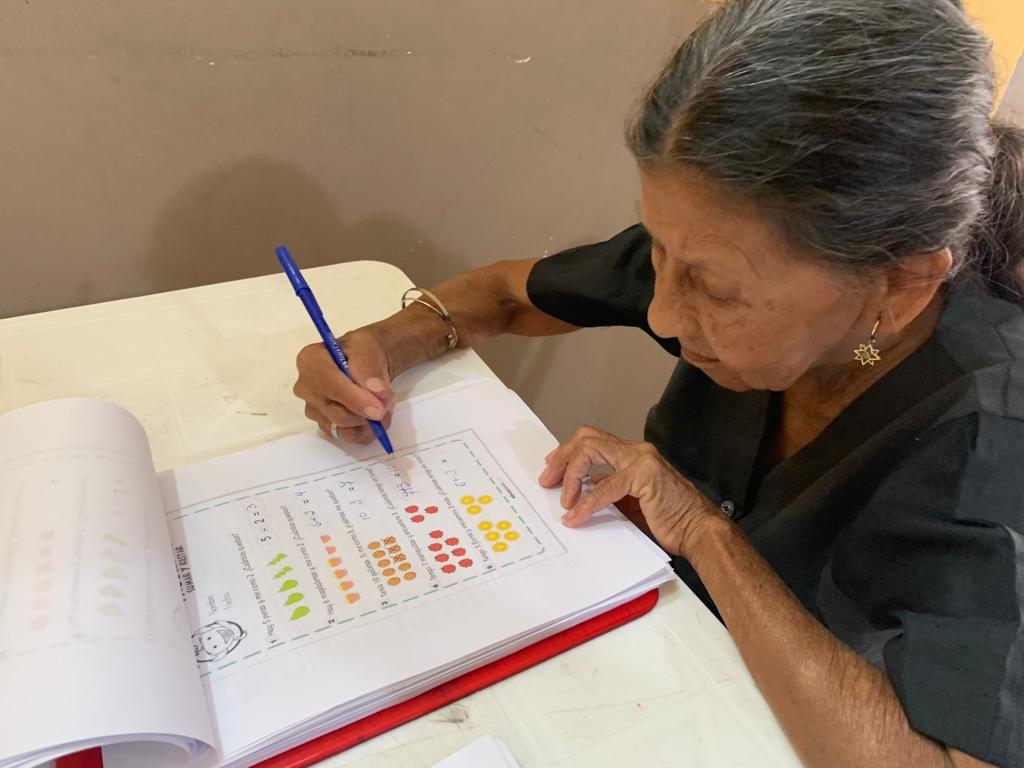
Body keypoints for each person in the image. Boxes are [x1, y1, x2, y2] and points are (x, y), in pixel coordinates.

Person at [292, 0, 1024, 765]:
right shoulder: (718, 244)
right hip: (651, 658)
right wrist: (383, 344)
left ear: (899, 287)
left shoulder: (995, 435)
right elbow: (504, 296)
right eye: (660, 252)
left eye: (716, 289)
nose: (664, 312)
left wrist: (705, 534)